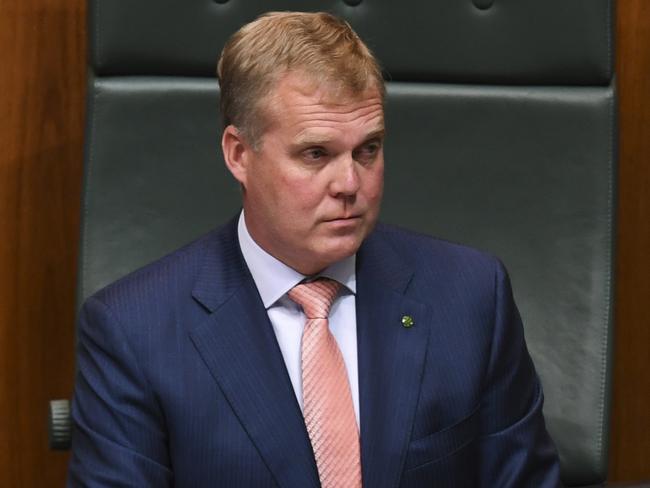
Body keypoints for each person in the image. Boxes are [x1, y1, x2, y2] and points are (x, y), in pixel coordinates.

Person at [68, 11, 562, 487]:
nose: (350, 183)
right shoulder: (133, 331)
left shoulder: (471, 297)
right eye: (316, 154)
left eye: (367, 149)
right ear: (239, 154)